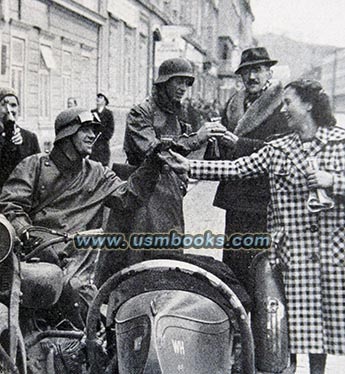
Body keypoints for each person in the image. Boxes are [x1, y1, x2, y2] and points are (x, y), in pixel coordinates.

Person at [164, 79, 345, 374]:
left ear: (309, 104)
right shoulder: (278, 149)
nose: (283, 109)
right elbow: (237, 168)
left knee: (321, 330)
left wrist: (332, 181)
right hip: (289, 254)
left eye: (289, 102)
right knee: (285, 327)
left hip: (329, 254)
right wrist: (189, 166)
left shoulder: (340, 142)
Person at [0, 107, 161, 328]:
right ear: (67, 134)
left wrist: (153, 164)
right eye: (86, 129)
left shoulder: (98, 173)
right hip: (34, 255)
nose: (93, 136)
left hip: (77, 262)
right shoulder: (34, 166)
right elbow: (11, 206)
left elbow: (129, 196)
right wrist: (27, 232)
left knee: (81, 305)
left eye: (95, 130)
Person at [211, 47, 288, 293]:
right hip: (235, 199)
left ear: (269, 72)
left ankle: (261, 325)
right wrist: (215, 141)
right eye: (246, 72)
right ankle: (236, 321)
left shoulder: (281, 106)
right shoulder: (233, 105)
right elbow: (222, 153)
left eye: (257, 70)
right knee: (233, 266)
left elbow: (281, 150)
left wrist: (239, 144)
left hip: (263, 199)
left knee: (260, 266)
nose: (251, 77)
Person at [123, 57, 225, 234]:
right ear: (164, 82)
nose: (183, 88)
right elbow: (153, 151)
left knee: (171, 248)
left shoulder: (176, 113)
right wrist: (197, 138)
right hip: (144, 190)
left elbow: (181, 151)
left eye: (186, 83)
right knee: (143, 251)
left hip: (171, 191)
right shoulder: (140, 112)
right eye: (178, 81)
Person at [0, 87, 40, 190]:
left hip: (22, 199)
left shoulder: (30, 138)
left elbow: (37, 173)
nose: (9, 110)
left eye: (13, 105)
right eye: (4, 105)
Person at [90, 93, 115, 166]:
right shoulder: (92, 112)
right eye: (97, 97)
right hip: (93, 144)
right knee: (92, 165)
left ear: (105, 101)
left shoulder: (108, 113)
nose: (98, 99)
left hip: (103, 145)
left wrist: (104, 137)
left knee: (103, 165)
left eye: (100, 97)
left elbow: (111, 129)